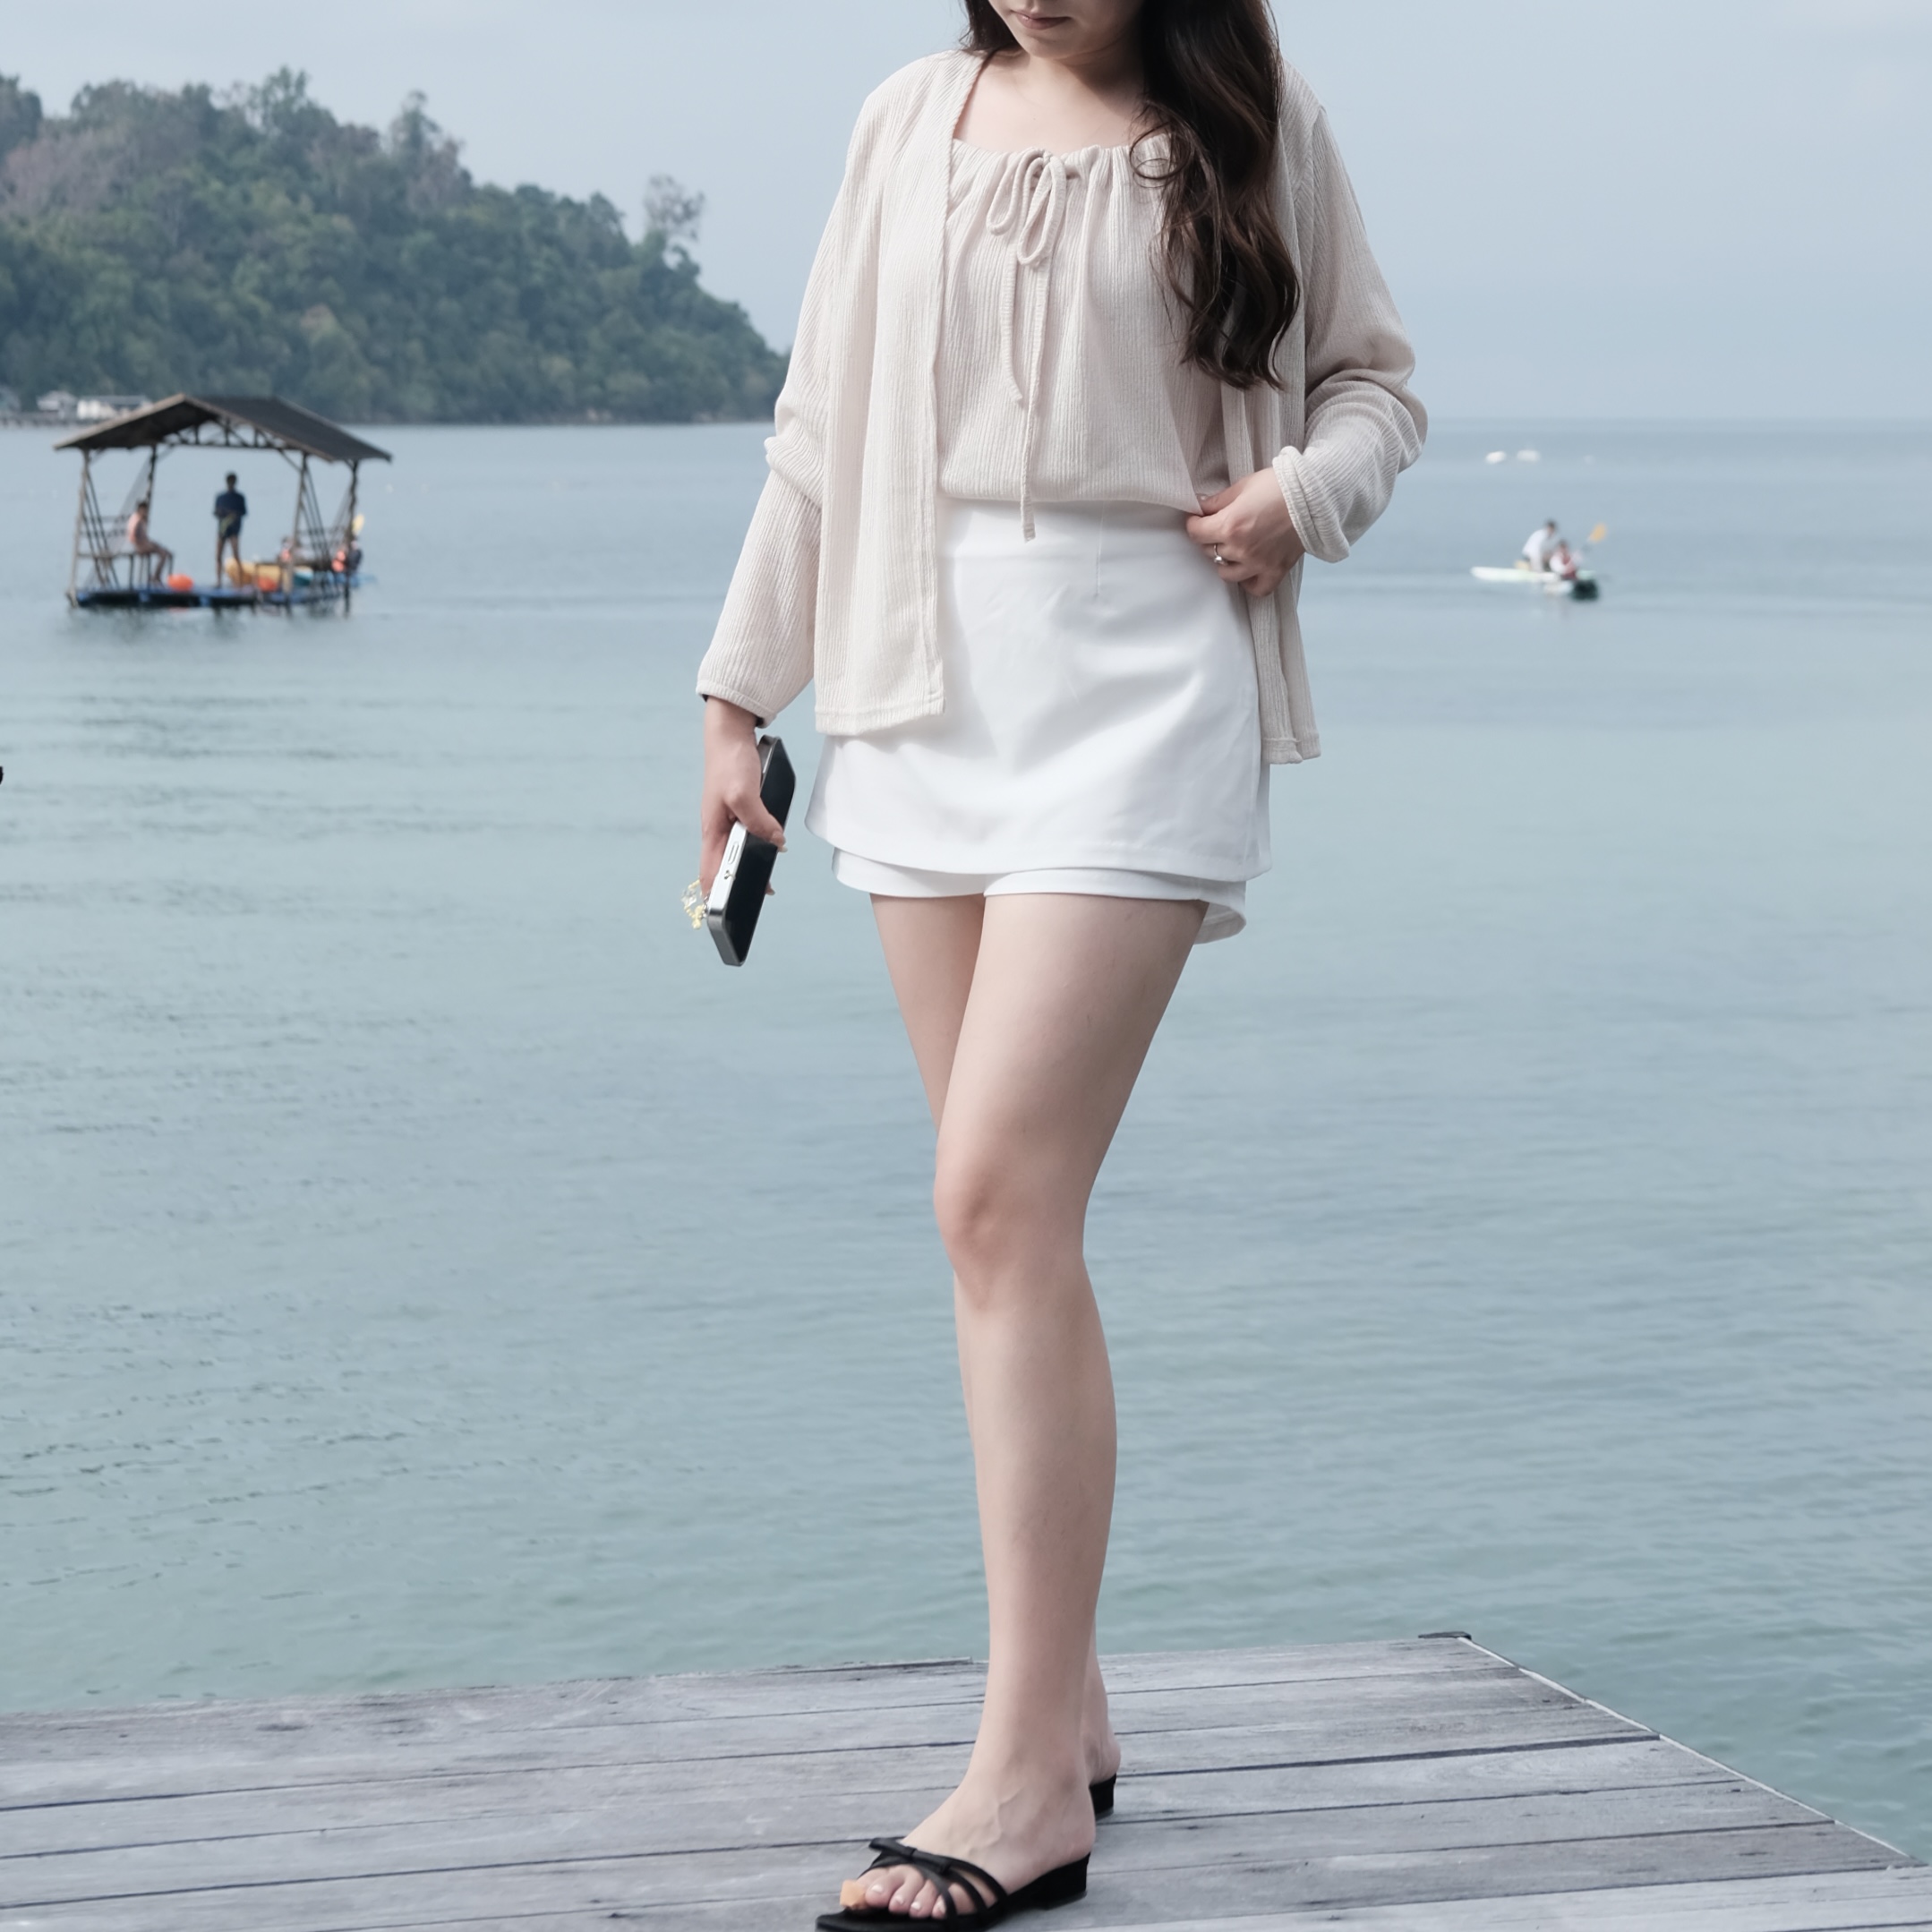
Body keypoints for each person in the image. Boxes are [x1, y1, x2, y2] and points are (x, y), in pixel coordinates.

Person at [694, 3, 1422, 1922]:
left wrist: (1301, 500)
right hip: (916, 688)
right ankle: (1066, 1706)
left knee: (993, 1200)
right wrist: (733, 693)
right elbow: (818, 432)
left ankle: (1021, 1786)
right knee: (1006, 1234)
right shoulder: (903, 118)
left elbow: (1375, 388)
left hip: (1142, 677)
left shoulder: (1252, 119)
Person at [124, 499, 172, 582]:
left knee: (165, 552)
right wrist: (150, 545)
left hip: (143, 543)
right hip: (141, 546)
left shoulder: (139, 519)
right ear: (139, 510)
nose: (145, 512)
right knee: (163, 554)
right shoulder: (138, 521)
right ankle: (156, 576)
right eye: (143, 510)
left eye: (146, 511)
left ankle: (156, 576)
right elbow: (138, 537)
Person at [214, 474, 247, 580]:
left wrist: (233, 514)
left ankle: (240, 581)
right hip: (222, 529)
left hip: (234, 530)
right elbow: (216, 512)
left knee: (236, 554)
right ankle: (218, 580)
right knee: (218, 556)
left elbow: (243, 512)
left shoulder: (239, 498)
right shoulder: (221, 497)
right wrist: (222, 513)